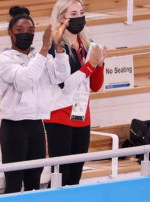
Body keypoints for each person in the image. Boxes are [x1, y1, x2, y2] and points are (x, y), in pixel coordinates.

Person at [0, 5, 100, 194]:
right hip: (14, 126)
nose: (26, 34)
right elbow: (24, 80)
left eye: (30, 30)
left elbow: (60, 75)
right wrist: (45, 49)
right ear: (10, 33)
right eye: (20, 30)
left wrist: (58, 46)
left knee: (34, 182)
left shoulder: (39, 55)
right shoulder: (4, 58)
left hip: (36, 125)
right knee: (14, 182)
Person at [44, 0, 106, 186]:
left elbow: (95, 86)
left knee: (75, 174)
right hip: (59, 114)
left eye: (81, 12)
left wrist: (100, 65)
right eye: (74, 14)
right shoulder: (55, 47)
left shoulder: (88, 44)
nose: (79, 18)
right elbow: (66, 85)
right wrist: (90, 66)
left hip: (82, 113)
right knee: (61, 173)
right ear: (62, 17)